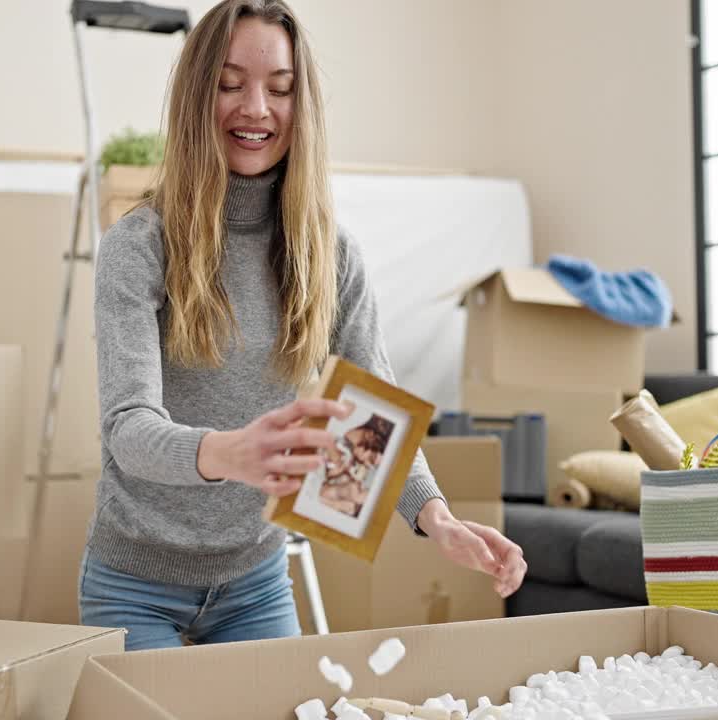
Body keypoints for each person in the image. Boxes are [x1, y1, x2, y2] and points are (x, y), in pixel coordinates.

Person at [81, 0, 526, 651]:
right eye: (230, 84)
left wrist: (436, 518)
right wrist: (234, 452)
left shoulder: (331, 254)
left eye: (280, 89)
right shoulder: (140, 245)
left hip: (255, 583)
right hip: (134, 585)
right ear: (195, 97)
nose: (256, 108)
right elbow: (128, 430)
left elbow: (376, 411)